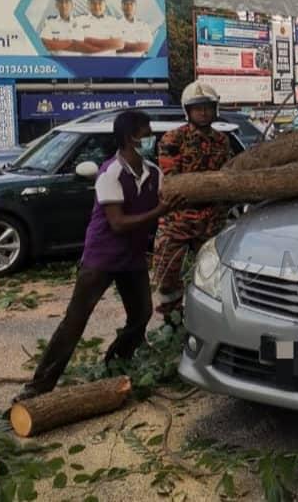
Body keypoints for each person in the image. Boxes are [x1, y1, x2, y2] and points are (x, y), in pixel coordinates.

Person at [14, 111, 182, 402]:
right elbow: (117, 223)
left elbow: (169, 198)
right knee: (75, 322)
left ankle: (116, 364)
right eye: (147, 133)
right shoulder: (110, 173)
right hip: (101, 259)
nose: (151, 138)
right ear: (131, 137)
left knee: (141, 315)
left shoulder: (154, 173)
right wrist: (159, 212)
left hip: (131, 259)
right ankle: (38, 388)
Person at [153, 82, 231, 327]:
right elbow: (174, 180)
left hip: (211, 222)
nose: (204, 113)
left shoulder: (222, 140)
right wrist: (210, 184)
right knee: (167, 277)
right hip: (178, 221)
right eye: (198, 108)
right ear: (188, 111)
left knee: (213, 276)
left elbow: (227, 176)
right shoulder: (173, 138)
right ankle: (171, 324)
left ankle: (209, 323)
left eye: (207, 107)